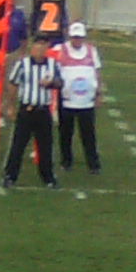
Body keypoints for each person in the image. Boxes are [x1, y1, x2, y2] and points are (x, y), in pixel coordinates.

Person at [1, 31, 59, 190]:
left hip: (43, 110)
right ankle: (10, 176)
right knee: (18, 145)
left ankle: (48, 177)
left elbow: (60, 83)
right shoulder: (23, 64)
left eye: (44, 44)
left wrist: (51, 83)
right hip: (26, 109)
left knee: (45, 146)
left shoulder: (53, 64)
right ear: (33, 45)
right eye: (38, 44)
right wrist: (11, 105)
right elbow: (13, 84)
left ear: (48, 46)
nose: (40, 47)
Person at [51, 21, 104, 173]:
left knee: (88, 134)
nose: (77, 40)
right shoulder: (60, 50)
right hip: (66, 99)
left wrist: (99, 94)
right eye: (75, 37)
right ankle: (66, 161)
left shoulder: (91, 51)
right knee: (65, 133)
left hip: (86, 101)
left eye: (80, 37)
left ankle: (93, 164)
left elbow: (97, 73)